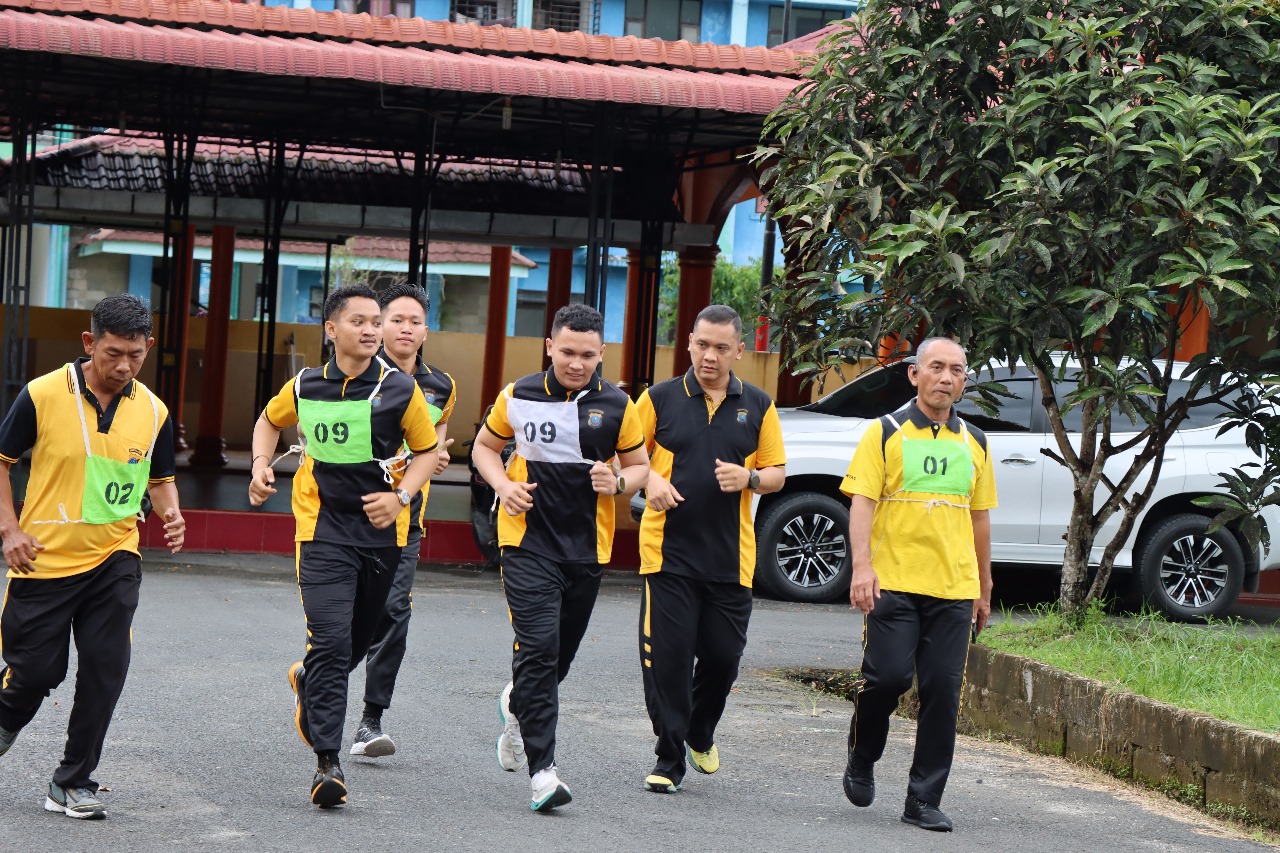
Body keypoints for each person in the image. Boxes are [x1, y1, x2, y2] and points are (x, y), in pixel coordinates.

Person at [247, 283, 439, 808]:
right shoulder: (305, 385)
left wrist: (400, 497)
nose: (372, 330)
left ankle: (308, 679)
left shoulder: (401, 389)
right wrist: (261, 465)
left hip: (381, 536)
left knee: (357, 642)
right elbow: (268, 421)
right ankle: (327, 763)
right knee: (332, 643)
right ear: (331, 329)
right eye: (360, 321)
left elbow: (427, 451)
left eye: (377, 322)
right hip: (322, 530)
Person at [0, 293, 185, 820]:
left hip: (115, 555)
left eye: (136, 355)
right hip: (43, 560)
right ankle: (6, 718)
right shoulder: (42, 394)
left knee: (106, 669)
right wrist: (9, 529)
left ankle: (73, 781)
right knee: (35, 674)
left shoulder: (154, 411)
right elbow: (2, 460)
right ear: (89, 343)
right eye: (113, 353)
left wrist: (171, 512)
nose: (124, 366)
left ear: (148, 348)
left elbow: (160, 479)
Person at [471, 303, 649, 812]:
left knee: (556, 661)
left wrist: (618, 481)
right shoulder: (518, 393)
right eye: (567, 352)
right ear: (550, 346)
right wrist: (503, 485)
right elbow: (484, 448)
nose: (576, 363)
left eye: (587, 355)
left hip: (586, 548)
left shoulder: (618, 404)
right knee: (540, 649)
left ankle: (517, 705)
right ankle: (543, 773)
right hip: (526, 542)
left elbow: (640, 466)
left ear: (601, 353)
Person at [839, 336, 995, 832]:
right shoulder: (884, 432)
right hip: (894, 582)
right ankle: (862, 754)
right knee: (886, 679)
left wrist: (984, 586)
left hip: (954, 588)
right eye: (936, 367)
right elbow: (862, 502)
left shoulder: (975, 441)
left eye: (956, 370)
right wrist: (862, 568)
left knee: (943, 693)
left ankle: (923, 799)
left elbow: (979, 517)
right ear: (914, 374)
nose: (946, 378)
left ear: (964, 380)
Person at [634, 304, 786, 794]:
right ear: (689, 344)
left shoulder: (759, 405)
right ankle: (668, 759)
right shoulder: (658, 399)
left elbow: (777, 474)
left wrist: (750, 477)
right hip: (667, 554)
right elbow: (625, 459)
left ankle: (700, 730)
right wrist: (651, 481)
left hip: (731, 558)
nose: (709, 356)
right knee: (671, 662)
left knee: (723, 660)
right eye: (702, 344)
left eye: (721, 347)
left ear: (739, 351)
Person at [350, 283, 456, 759]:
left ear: (426, 331)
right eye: (396, 320)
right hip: (349, 512)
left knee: (394, 612)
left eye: (415, 321)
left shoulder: (442, 386)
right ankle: (316, 677)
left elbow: (435, 443)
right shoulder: (357, 374)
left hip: (406, 518)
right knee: (348, 616)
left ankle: (370, 720)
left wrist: (435, 458)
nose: (405, 329)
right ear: (380, 325)